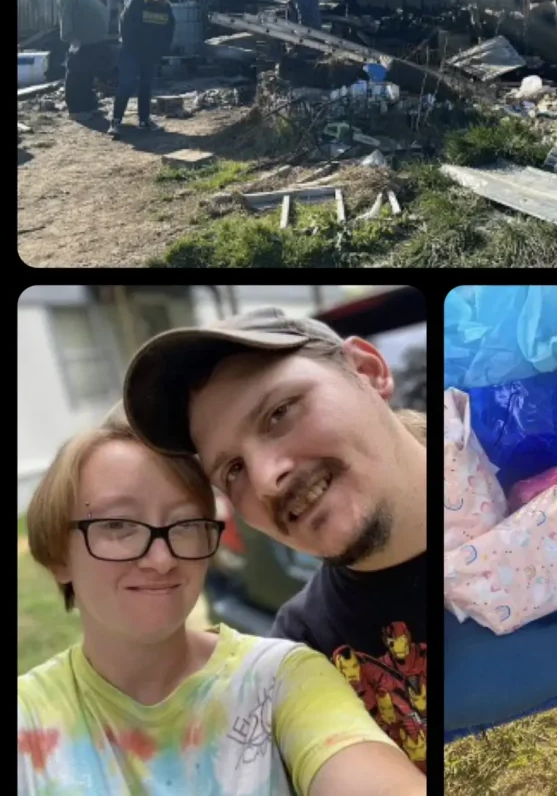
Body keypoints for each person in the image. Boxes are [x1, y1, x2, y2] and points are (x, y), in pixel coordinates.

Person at [18, 410, 425, 796]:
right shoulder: (28, 715)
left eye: (185, 525)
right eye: (118, 525)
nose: (161, 560)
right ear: (58, 556)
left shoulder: (281, 680)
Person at [122, 309, 428, 771]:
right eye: (234, 470)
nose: (267, 480)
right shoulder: (303, 652)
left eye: (279, 412)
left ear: (368, 372)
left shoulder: (528, 488)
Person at [109, 0, 175, 138]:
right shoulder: (136, 4)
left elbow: (169, 31)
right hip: (131, 53)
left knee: (146, 87)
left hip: (151, 55)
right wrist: (133, 47)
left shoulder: (165, 8)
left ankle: (144, 120)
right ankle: (116, 121)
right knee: (126, 85)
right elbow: (124, 27)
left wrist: (162, 50)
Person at [56, 0, 111, 118]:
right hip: (80, 43)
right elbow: (66, 17)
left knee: (88, 76)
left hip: (95, 43)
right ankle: (76, 110)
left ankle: (88, 106)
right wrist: (71, 38)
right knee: (77, 76)